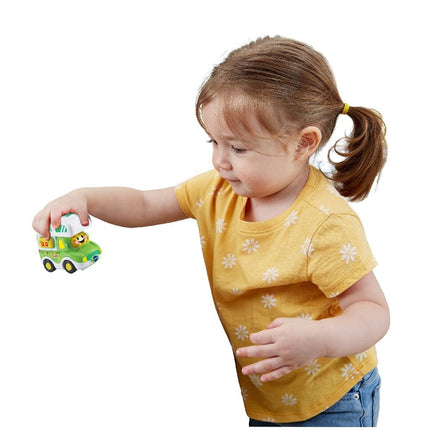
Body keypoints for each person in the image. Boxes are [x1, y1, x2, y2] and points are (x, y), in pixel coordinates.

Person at [33, 36, 390, 426]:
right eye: (214, 142)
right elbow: (145, 204)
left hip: (332, 397)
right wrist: (85, 198)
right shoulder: (219, 191)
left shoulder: (325, 223)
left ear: (303, 144)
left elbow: (373, 311)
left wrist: (319, 340)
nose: (220, 160)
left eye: (238, 148)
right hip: (270, 395)